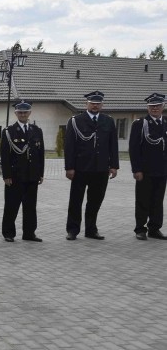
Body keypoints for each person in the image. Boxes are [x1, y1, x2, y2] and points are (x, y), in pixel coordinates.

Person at [64, 91, 119, 240]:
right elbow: (69, 146)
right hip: (80, 168)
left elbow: (113, 145)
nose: (95, 105)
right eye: (92, 103)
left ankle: (91, 229)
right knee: (76, 200)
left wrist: (114, 165)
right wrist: (69, 167)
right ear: (86, 104)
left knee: (95, 201)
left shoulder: (108, 121)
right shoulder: (76, 121)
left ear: (102, 105)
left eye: (98, 103)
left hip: (101, 168)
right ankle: (73, 229)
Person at [0, 101, 45, 242]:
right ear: (16, 113)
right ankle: (8, 233)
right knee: (11, 206)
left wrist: (41, 173)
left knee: (30, 206)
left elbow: (40, 154)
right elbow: (4, 155)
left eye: (25, 112)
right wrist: (6, 175)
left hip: (32, 175)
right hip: (15, 175)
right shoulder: (8, 131)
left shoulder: (36, 131)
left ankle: (29, 233)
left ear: (30, 113)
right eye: (20, 112)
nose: (23, 114)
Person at [129, 93, 167, 240]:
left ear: (163, 107)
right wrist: (136, 169)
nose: (155, 108)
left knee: (158, 200)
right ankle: (140, 229)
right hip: (145, 170)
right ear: (148, 108)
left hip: (162, 170)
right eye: (152, 106)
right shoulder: (140, 124)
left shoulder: (165, 123)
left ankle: (154, 228)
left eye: (158, 106)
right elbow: (134, 148)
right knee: (143, 200)